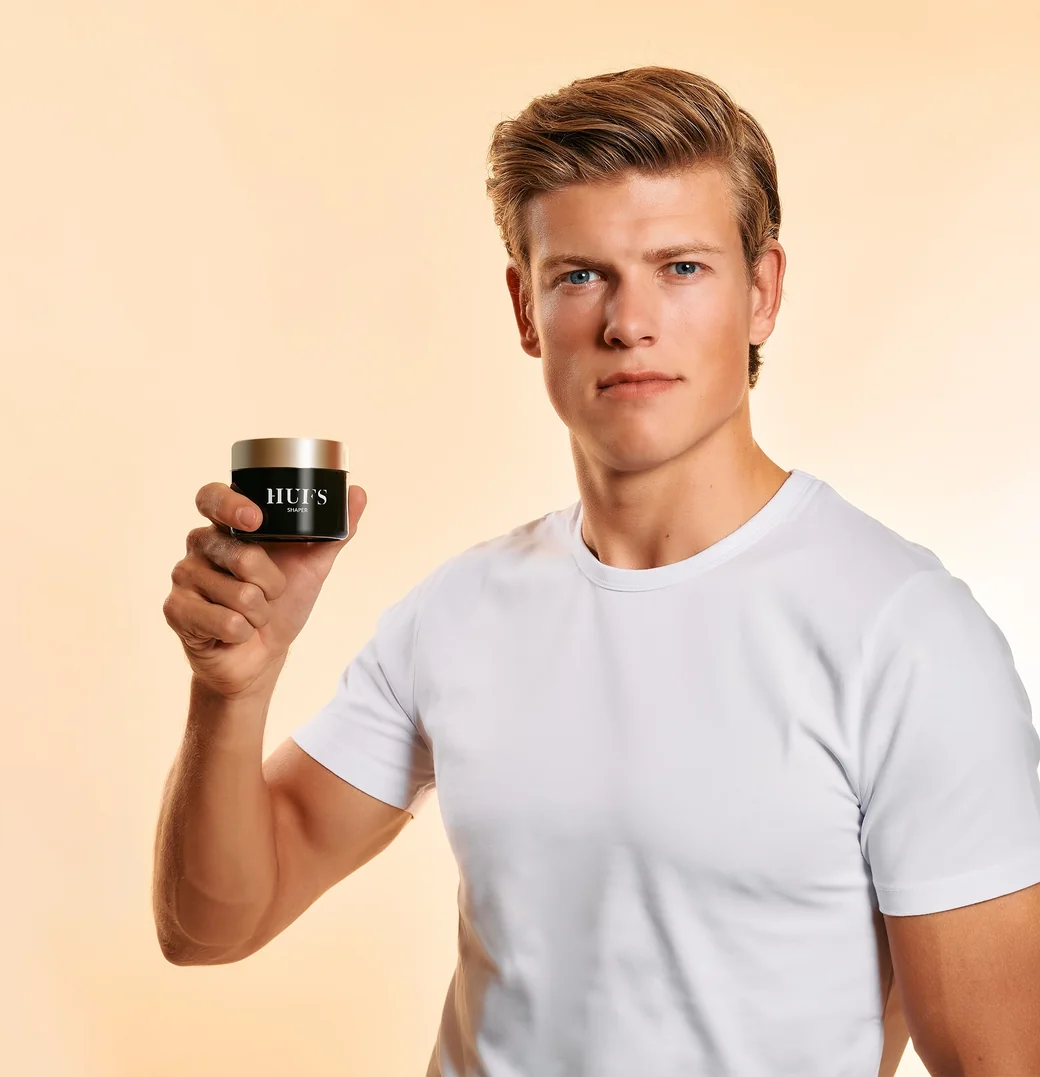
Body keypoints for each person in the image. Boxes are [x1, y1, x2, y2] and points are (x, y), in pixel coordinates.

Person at [154, 66, 1040, 1077]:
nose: (627, 323)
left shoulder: (902, 633)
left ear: (761, 292)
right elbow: (211, 926)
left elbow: (995, 1062)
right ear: (524, 308)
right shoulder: (458, 611)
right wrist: (233, 689)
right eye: (579, 274)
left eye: (681, 268)